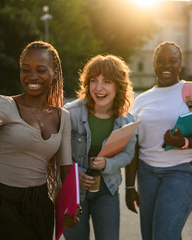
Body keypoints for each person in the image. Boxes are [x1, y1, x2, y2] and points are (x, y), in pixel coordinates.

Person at [0, 41, 79, 239]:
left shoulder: (63, 116)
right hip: (4, 202)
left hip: (41, 203)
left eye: (41, 70)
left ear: (55, 72)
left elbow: (65, 170)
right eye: (25, 69)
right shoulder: (4, 105)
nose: (32, 76)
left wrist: (71, 207)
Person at [125, 41, 192, 240]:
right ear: (154, 63)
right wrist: (130, 187)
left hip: (181, 171)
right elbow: (134, 147)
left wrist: (183, 142)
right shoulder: (141, 100)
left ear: (180, 64)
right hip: (147, 173)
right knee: (149, 235)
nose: (166, 66)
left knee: (165, 235)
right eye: (161, 61)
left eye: (172, 61)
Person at [63, 54, 136, 240]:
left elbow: (128, 154)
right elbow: (56, 153)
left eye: (107, 82)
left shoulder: (127, 121)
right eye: (93, 81)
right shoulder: (70, 113)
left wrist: (107, 164)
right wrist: (74, 174)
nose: (98, 88)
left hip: (107, 190)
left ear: (119, 86)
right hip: (74, 191)